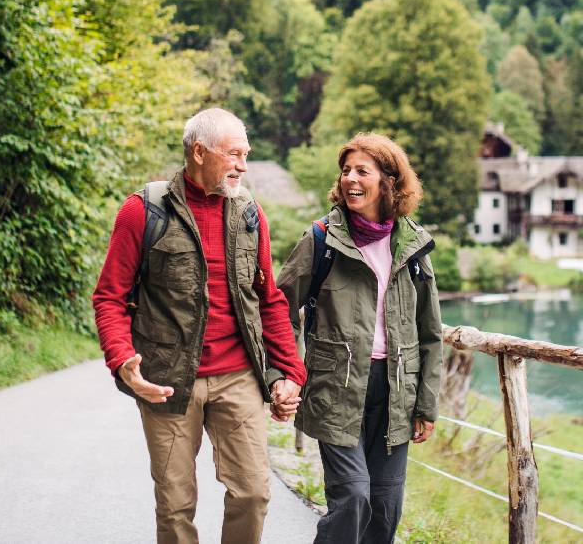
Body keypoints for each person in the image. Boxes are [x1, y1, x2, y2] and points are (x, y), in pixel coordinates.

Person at [92, 108, 306, 544]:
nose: (243, 166)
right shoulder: (142, 211)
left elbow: (268, 299)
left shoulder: (250, 214)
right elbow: (109, 297)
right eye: (234, 155)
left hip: (238, 376)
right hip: (167, 381)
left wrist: (289, 373)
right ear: (199, 151)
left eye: (246, 154)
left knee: (252, 493)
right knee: (175, 506)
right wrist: (122, 361)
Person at [277, 132, 443, 544]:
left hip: (396, 395)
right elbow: (278, 307)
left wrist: (427, 403)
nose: (351, 178)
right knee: (353, 499)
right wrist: (289, 371)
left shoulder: (412, 245)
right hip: (336, 389)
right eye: (346, 170)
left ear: (389, 180)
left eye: (362, 171)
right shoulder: (322, 240)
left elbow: (430, 332)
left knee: (384, 510)